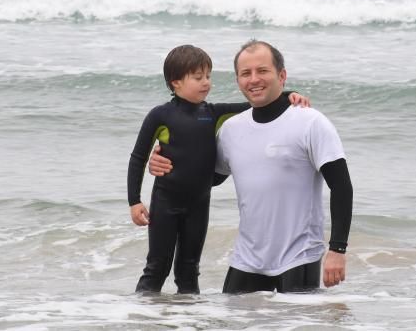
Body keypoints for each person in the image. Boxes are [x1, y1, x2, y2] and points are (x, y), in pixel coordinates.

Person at [149, 40, 353, 293]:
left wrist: (337, 249)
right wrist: (164, 161)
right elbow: (204, 177)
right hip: (246, 260)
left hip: (298, 256)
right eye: (246, 73)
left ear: (282, 75)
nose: (254, 79)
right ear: (238, 81)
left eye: (262, 71)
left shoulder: (310, 122)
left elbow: (342, 186)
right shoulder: (231, 130)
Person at [127, 44, 309, 294]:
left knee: (189, 270)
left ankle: (190, 321)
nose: (206, 83)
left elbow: (258, 104)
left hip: (199, 205)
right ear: (176, 83)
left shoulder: (213, 114)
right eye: (198, 77)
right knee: (157, 267)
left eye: (208, 76)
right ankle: (142, 319)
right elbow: (138, 157)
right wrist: (134, 201)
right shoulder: (160, 115)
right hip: (166, 202)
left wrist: (290, 95)